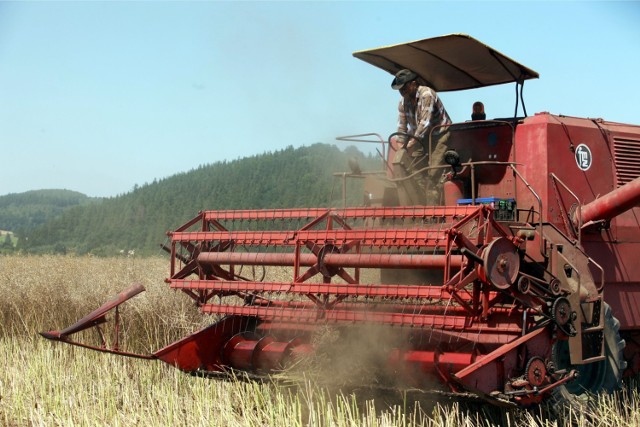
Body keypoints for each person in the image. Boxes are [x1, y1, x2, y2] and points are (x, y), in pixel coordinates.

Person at [391, 69, 452, 199]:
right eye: (400, 89)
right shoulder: (402, 102)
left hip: (439, 135)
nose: (402, 92)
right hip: (419, 138)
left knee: (433, 174)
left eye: (404, 88)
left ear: (413, 84)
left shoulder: (427, 94)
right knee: (414, 171)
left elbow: (424, 124)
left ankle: (433, 208)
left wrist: (410, 144)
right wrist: (400, 144)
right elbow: (401, 126)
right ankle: (421, 200)